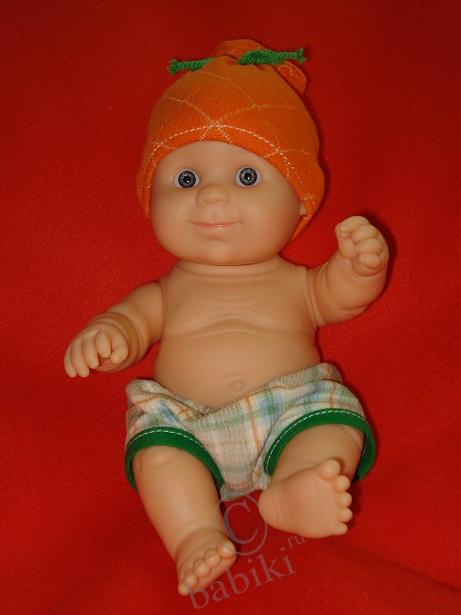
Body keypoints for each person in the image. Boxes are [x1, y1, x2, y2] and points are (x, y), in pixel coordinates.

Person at [64, 40, 388, 596]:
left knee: (333, 420)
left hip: (291, 411)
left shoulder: (297, 284)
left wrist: (360, 267)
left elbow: (340, 297)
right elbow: (132, 323)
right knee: (156, 452)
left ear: (299, 202)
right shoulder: (166, 292)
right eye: (186, 180)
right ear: (151, 199)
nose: (212, 196)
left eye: (246, 178)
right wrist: (110, 334)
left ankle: (294, 485)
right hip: (188, 422)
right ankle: (194, 532)